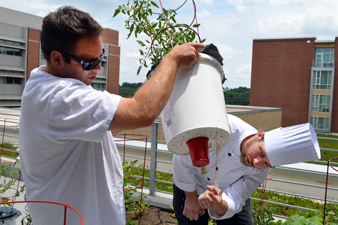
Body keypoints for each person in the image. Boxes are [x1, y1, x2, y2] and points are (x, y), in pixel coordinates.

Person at [19, 6, 205, 225]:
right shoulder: (59, 98)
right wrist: (171, 59)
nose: (98, 68)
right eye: (89, 62)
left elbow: (112, 121)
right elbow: (142, 112)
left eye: (101, 57)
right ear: (57, 58)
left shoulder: (48, 80)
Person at [172, 114, 320, 224]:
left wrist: (219, 205)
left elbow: (235, 197)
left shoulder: (261, 170)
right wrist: (191, 197)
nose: (256, 162)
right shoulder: (223, 126)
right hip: (190, 183)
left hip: (228, 191)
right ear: (259, 135)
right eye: (261, 152)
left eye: (266, 163)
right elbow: (181, 159)